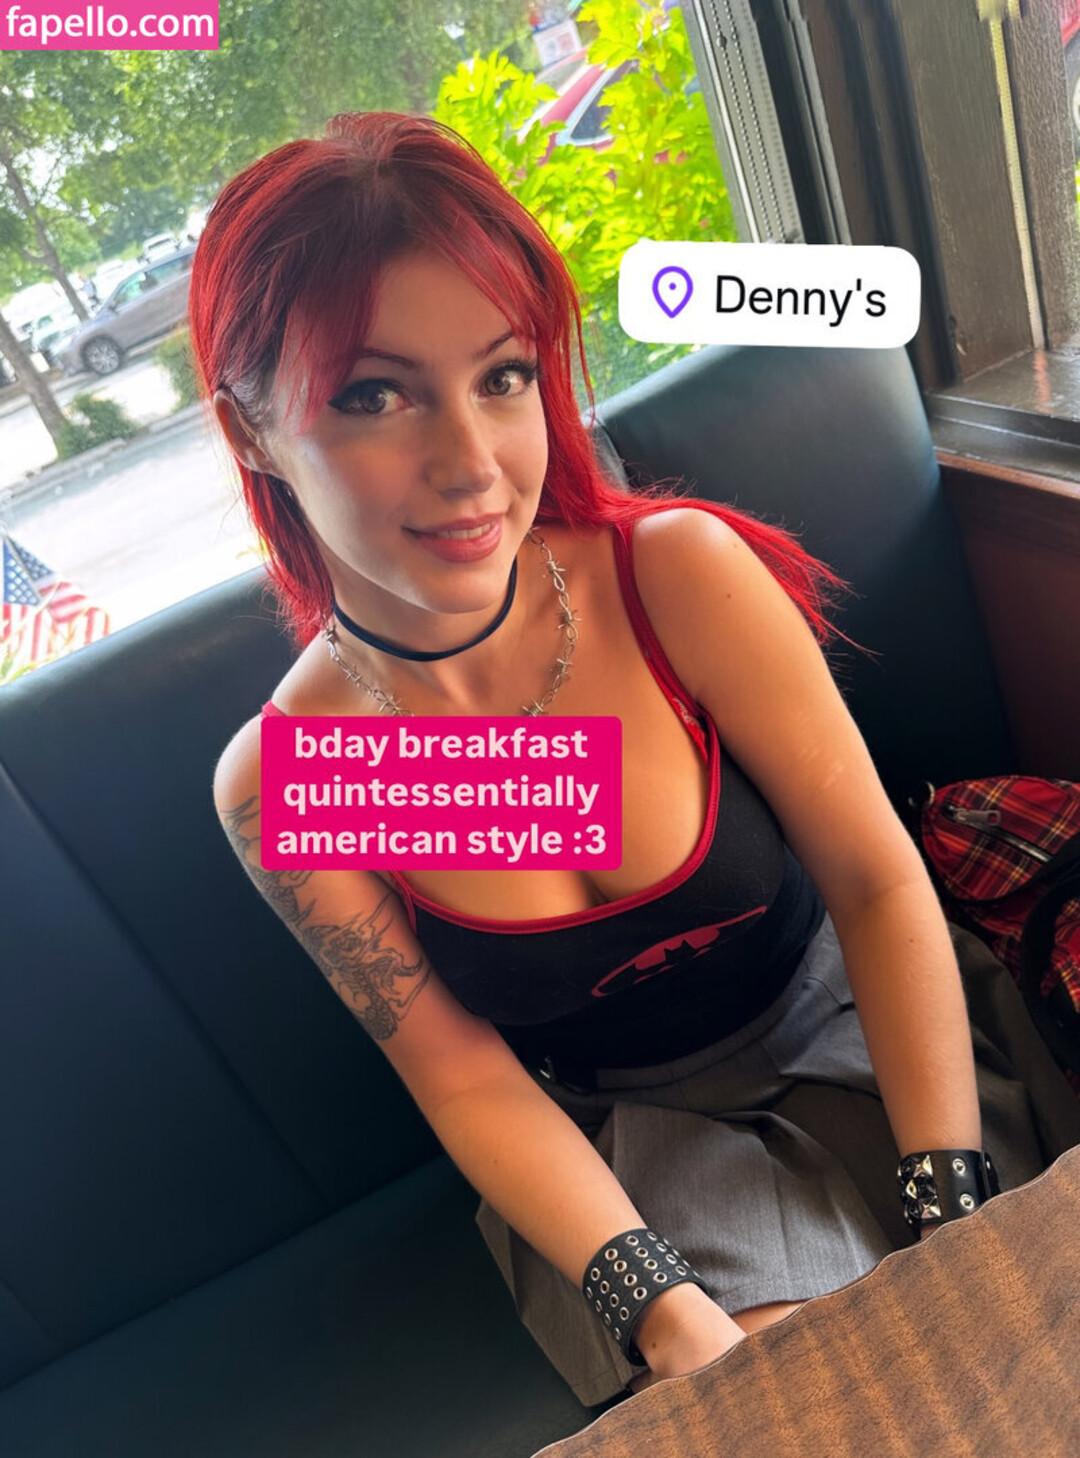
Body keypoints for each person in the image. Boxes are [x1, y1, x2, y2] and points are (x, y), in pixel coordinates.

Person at [196, 111, 1069, 1409]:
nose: (471, 463)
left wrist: (952, 1200)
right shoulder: (299, 772)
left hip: (882, 1029)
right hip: (637, 1150)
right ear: (253, 429)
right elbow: (461, 1072)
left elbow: (877, 882)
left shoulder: (670, 580)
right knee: (817, 1412)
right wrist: (665, 1316)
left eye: (503, 376)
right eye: (375, 394)